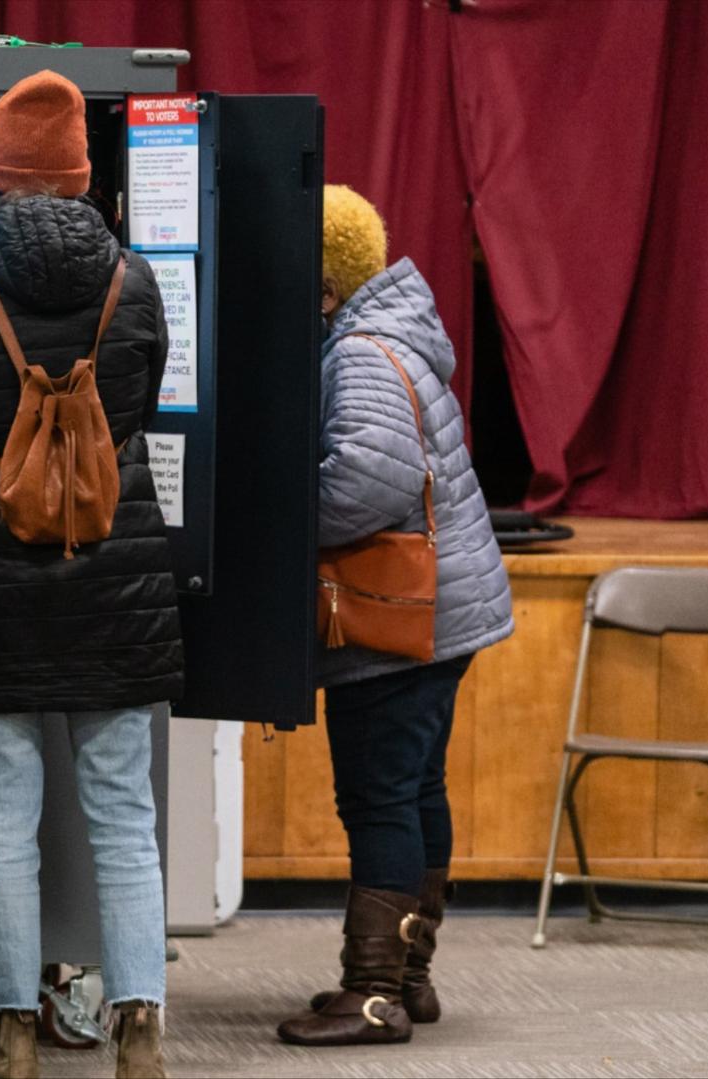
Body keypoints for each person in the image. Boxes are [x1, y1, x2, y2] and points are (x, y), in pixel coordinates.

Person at [0, 71, 179, 1079]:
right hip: (117, 577)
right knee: (125, 817)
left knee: (2, 820)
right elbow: (137, 416)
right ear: (82, 181)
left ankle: (13, 1034)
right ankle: (139, 1031)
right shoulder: (135, 282)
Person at [275, 185, 512, 1047]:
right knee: (416, 789)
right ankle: (409, 976)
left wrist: (279, 515)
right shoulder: (400, 329)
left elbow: (368, 485)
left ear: (327, 284)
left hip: (400, 620)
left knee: (378, 796)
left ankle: (371, 993)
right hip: (448, 611)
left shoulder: (362, 352)